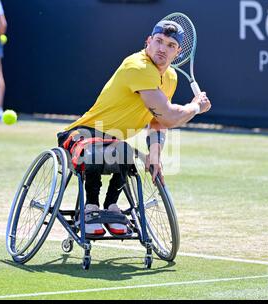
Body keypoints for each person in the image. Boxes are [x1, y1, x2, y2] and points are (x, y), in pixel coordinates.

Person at [57, 20, 211, 236]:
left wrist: (155, 154)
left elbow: (157, 120)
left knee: (124, 151)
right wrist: (195, 107)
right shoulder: (138, 66)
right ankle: (91, 207)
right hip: (80, 135)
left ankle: (111, 207)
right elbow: (168, 116)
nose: (162, 49)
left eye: (170, 45)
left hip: (114, 141)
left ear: (177, 53)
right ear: (148, 42)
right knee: (99, 150)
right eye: (159, 41)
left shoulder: (170, 77)